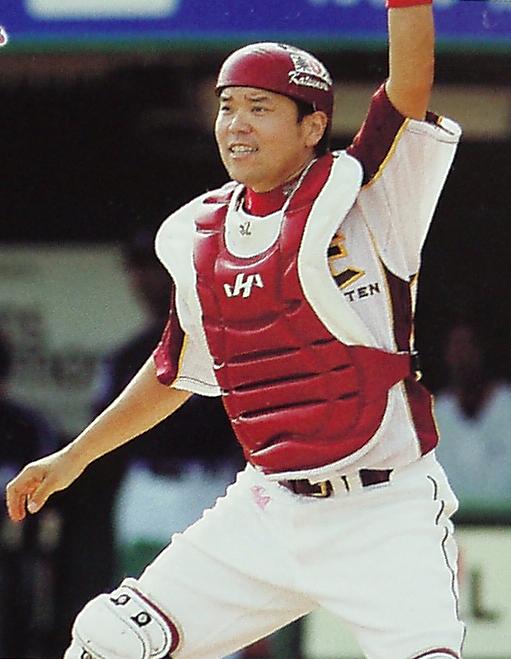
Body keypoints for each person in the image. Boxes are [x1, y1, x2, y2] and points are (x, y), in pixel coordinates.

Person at [6, 1, 465, 657]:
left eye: (260, 106)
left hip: (382, 510)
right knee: (106, 641)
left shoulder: (370, 194)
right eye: (226, 106)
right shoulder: (202, 235)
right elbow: (173, 371)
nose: (237, 122)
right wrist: (71, 458)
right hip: (268, 508)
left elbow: (409, 84)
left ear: (312, 126)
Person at [435, 321, 511, 519]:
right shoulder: (437, 413)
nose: (462, 356)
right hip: (453, 526)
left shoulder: (506, 406)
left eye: (468, 346)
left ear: (483, 351)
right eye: (456, 347)